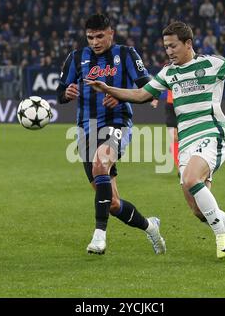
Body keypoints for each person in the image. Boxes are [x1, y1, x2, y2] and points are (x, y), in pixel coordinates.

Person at [85, 21, 225, 260]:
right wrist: (108, 88)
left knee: (190, 179)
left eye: (173, 46)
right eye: (166, 47)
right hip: (187, 142)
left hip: (211, 133)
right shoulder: (169, 72)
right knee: (199, 210)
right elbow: (141, 94)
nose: (169, 51)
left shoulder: (211, 63)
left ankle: (221, 235)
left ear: (188, 43)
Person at [56, 14, 166, 255]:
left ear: (111, 33)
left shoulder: (126, 54)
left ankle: (99, 236)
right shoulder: (76, 58)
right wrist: (68, 93)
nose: (94, 42)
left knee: (100, 162)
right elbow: (60, 93)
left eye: (99, 36)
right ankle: (151, 227)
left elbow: (146, 87)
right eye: (90, 37)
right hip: (86, 129)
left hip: (117, 123)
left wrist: (121, 95)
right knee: (113, 203)